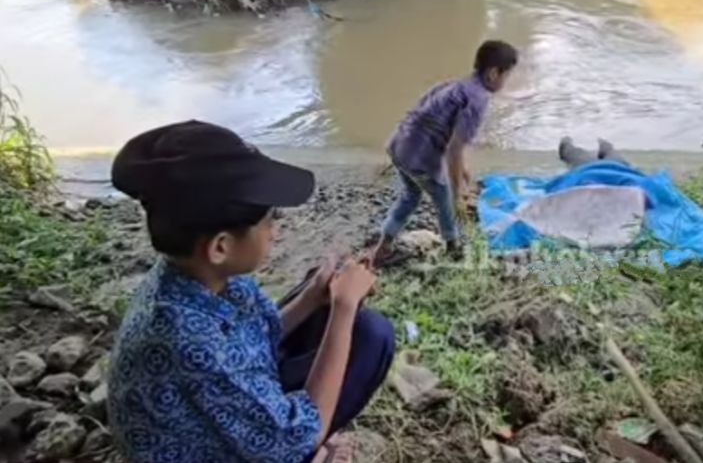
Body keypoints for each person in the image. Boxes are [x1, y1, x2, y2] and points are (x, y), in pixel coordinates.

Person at [106, 120, 395, 463]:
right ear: (220, 246)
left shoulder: (196, 273)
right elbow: (298, 434)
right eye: (270, 218)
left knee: (340, 316)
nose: (276, 229)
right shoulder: (189, 342)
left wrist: (313, 297)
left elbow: (257, 331)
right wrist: (344, 308)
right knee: (371, 335)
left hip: (220, 406)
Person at [372, 40, 519, 265]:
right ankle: (452, 248)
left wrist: (464, 169)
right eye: (506, 76)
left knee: (411, 196)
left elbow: (439, 126)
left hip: (399, 146)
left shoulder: (458, 85)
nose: (506, 82)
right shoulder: (477, 99)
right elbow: (454, 149)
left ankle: (383, 247)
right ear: (493, 73)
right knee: (446, 202)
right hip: (421, 158)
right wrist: (458, 191)